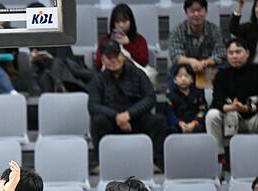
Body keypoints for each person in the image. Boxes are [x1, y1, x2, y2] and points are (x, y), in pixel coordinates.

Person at [89, 41, 166, 169]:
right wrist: (116, 116)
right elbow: (93, 105)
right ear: (102, 59)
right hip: (112, 122)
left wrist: (129, 115)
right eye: (109, 57)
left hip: (136, 120)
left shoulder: (138, 74)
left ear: (122, 56)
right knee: (97, 121)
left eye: (116, 56)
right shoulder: (98, 79)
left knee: (159, 121)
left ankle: (155, 162)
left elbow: (150, 98)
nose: (113, 60)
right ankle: (101, 163)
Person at [205, 38, 258, 159]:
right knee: (212, 115)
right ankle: (219, 158)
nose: (234, 56)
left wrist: (248, 108)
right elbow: (217, 101)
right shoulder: (221, 75)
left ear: (247, 53)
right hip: (231, 116)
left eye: (238, 52)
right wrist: (232, 107)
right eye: (231, 53)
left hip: (254, 116)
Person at [168, 0, 226, 87]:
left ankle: (209, 94)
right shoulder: (177, 31)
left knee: (220, 71)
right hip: (186, 68)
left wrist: (205, 62)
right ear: (186, 13)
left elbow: (221, 52)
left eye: (199, 10)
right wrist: (191, 61)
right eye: (192, 11)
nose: (196, 14)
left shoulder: (214, 30)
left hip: (208, 67)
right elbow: (175, 55)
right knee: (175, 72)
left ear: (206, 12)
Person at [94, 4, 150, 72]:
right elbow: (98, 65)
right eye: (117, 22)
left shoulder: (140, 40)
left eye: (124, 21)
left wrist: (128, 44)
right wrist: (111, 45)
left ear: (131, 21)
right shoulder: (105, 40)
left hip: (134, 74)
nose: (121, 25)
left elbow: (143, 62)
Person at [165, 64, 208, 134]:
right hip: (178, 125)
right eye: (180, 76)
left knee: (201, 128)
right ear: (175, 80)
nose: (183, 79)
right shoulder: (170, 95)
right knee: (172, 129)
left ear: (192, 79)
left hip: (195, 124)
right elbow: (170, 113)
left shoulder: (199, 93)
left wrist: (194, 123)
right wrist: (179, 123)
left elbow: (203, 110)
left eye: (186, 76)